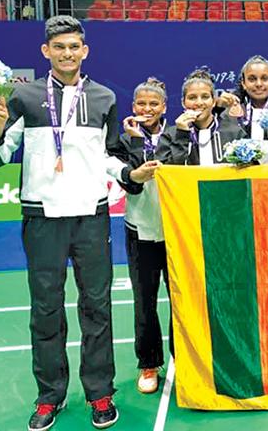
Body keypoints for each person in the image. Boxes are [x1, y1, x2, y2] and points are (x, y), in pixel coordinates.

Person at [0, 16, 159, 431]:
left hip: (90, 215)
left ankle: (100, 392)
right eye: (59, 47)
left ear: (85, 50)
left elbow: (112, 153)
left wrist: (128, 176)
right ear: (46, 52)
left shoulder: (103, 97)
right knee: (45, 310)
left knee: (96, 307)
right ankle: (50, 396)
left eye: (74, 46)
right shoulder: (23, 97)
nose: (67, 53)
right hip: (42, 216)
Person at [117, 77, 172, 395]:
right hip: (141, 230)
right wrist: (136, 141)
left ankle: (185, 358)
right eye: (142, 103)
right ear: (133, 106)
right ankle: (149, 364)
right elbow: (131, 182)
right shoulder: (124, 141)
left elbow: (174, 160)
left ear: (164, 107)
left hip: (178, 229)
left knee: (181, 300)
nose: (147, 109)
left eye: (154, 104)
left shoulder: (180, 133)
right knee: (145, 302)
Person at [157, 68, 248, 165]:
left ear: (213, 101)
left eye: (205, 97)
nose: (199, 103)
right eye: (192, 98)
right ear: (183, 103)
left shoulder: (234, 132)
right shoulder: (170, 135)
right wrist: (182, 135)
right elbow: (166, 173)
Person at [216, 55, 268, 164]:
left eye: (264, 78)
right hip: (240, 178)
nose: (259, 84)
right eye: (252, 79)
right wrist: (217, 109)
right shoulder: (230, 112)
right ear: (243, 83)